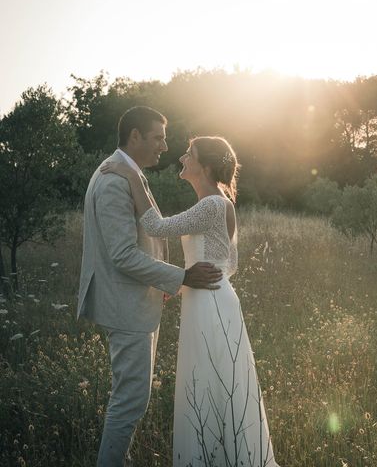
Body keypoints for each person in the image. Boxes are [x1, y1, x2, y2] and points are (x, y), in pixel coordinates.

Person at [101, 136, 279, 466]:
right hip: (216, 300)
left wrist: (130, 176)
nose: (182, 158)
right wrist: (185, 284)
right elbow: (231, 264)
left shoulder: (211, 204)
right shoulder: (221, 202)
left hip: (209, 305)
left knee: (210, 382)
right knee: (218, 383)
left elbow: (155, 226)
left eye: (189, 154)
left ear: (205, 166)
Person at [77, 106, 223, 467]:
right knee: (129, 402)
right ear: (136, 136)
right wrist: (180, 277)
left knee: (131, 399)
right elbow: (123, 255)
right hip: (125, 306)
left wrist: (162, 282)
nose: (165, 146)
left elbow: (150, 233)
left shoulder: (127, 173)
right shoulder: (114, 180)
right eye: (158, 137)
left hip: (135, 300)